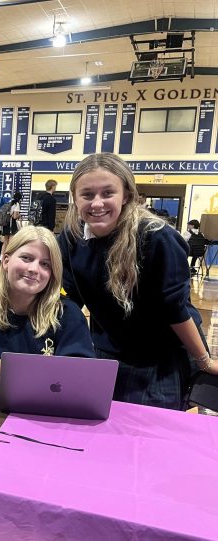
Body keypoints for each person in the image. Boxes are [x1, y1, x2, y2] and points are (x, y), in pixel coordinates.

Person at [58, 153, 218, 410]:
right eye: (87, 195)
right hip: (106, 354)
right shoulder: (71, 238)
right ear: (75, 199)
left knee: (151, 439)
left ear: (127, 195)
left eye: (107, 193)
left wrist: (203, 361)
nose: (97, 203)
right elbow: (71, 300)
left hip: (158, 362)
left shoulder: (157, 238)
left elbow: (174, 309)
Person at [0, 225, 95, 391]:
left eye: (45, 264)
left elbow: (78, 376)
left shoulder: (68, 316)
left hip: (46, 414)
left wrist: (6, 376)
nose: (33, 269)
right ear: (6, 261)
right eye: (26, 258)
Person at [0, 192, 22, 257]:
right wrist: (19, 215)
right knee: (11, 242)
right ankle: (9, 256)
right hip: (11, 223)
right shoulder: (16, 204)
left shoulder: (9, 202)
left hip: (5, 223)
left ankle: (1, 257)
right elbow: (14, 216)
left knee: (5, 242)